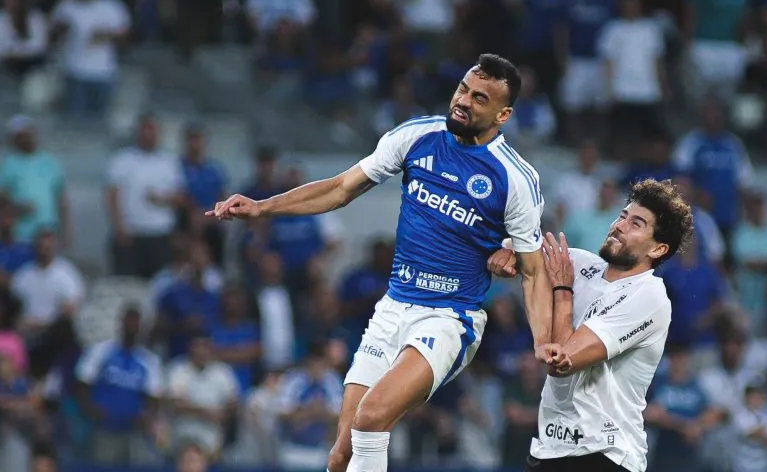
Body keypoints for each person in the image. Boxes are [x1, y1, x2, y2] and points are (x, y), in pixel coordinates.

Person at [208, 53, 556, 472]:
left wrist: (541, 342)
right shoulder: (417, 136)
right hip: (392, 309)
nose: (463, 100)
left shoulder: (514, 177)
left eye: (479, 98)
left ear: (503, 114)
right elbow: (339, 189)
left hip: (449, 318)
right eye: (463, 89)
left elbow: (533, 269)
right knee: (341, 454)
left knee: (370, 418)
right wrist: (262, 208)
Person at [489, 178, 694, 472]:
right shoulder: (581, 264)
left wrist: (562, 291)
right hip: (552, 448)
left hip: (606, 454)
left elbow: (562, 361)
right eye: (622, 216)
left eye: (636, 224)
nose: (620, 225)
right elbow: (524, 245)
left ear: (658, 249)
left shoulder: (648, 296)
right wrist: (508, 249)